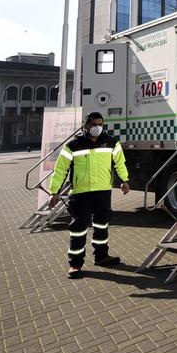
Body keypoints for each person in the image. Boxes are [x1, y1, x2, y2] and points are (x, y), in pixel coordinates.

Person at [49, 112, 130, 278]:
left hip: (103, 191)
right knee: (78, 228)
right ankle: (75, 265)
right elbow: (60, 170)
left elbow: (119, 163)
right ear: (86, 126)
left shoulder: (111, 142)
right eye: (94, 124)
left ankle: (101, 256)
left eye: (100, 124)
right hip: (80, 193)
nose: (97, 128)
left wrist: (124, 180)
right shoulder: (73, 144)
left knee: (102, 224)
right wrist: (54, 191)